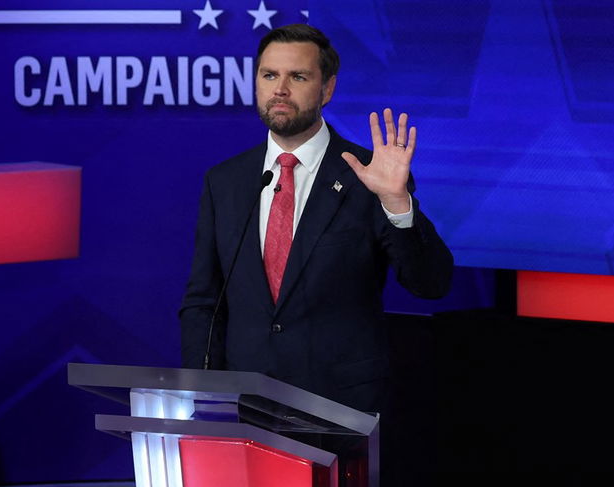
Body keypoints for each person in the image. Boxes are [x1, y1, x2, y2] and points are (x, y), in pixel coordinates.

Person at [179, 23, 453, 413]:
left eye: (299, 76)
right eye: (269, 75)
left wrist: (396, 201)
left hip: (341, 407)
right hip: (247, 405)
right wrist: (201, 390)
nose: (280, 89)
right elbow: (203, 300)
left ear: (327, 89)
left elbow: (431, 283)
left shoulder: (369, 175)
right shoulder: (225, 181)